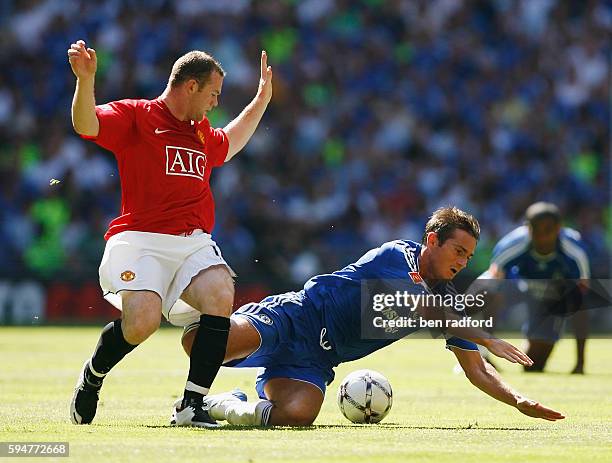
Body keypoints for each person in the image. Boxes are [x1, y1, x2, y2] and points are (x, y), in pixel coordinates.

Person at [167, 207, 564, 426]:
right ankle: (196, 311)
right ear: (432, 241)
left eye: (468, 256)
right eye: (458, 251)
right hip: (296, 317)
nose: (463, 262)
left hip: (317, 359)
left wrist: (518, 400)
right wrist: (488, 337)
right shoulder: (397, 256)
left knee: (298, 415)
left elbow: (477, 371)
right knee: (201, 346)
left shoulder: (448, 300)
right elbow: (421, 307)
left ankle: (225, 406)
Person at [67, 39, 273, 427]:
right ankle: (92, 377)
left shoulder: (200, 131)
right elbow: (85, 123)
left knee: (220, 292)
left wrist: (261, 100)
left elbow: (228, 144)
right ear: (190, 86)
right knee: (141, 323)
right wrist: (85, 80)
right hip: (139, 238)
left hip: (191, 242)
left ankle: (191, 405)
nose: (215, 103)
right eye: (213, 93)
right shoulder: (137, 116)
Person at [480, 202, 590, 373]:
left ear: (559, 229)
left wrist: (580, 363)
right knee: (486, 288)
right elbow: (491, 283)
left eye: (548, 231)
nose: (543, 237)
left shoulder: (575, 251)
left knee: (533, 366)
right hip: (518, 287)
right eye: (537, 231)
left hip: (551, 296)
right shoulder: (512, 245)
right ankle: (481, 355)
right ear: (528, 229)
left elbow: (581, 298)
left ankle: (540, 342)